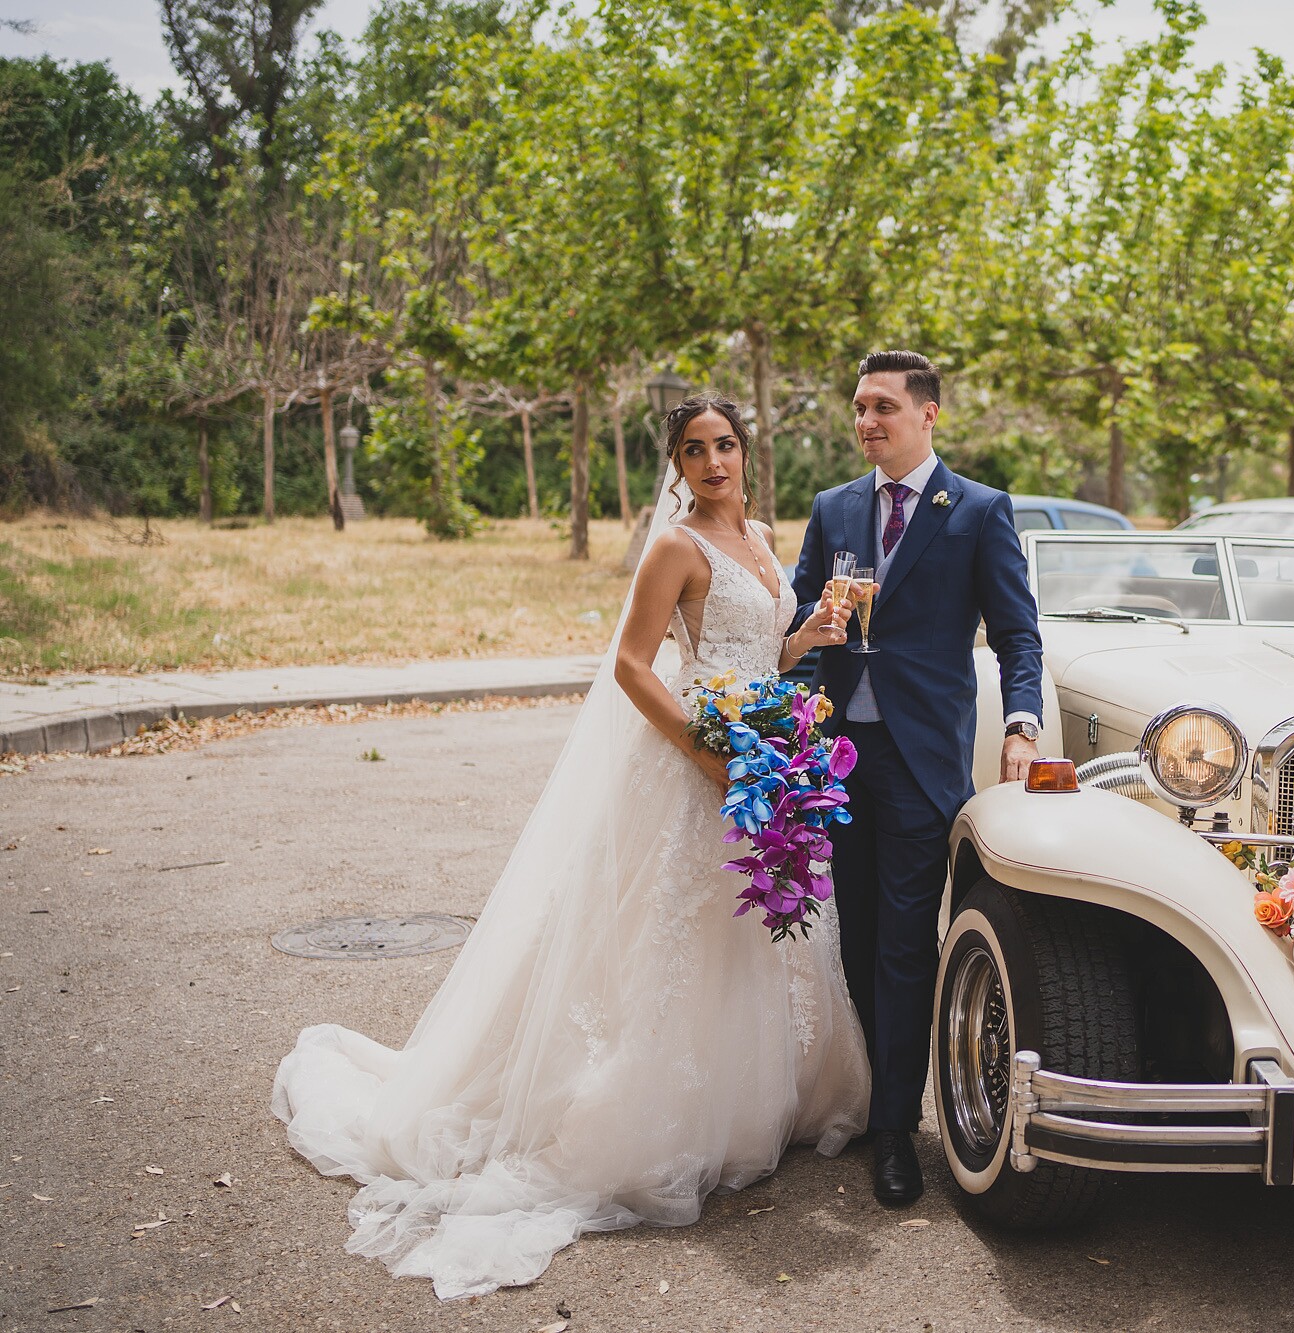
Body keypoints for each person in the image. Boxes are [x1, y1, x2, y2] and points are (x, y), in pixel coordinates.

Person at [271, 394, 869, 1301]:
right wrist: (706, 752)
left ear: (748, 453)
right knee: (673, 937)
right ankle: (659, 1119)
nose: (714, 463)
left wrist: (809, 638)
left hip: (760, 759)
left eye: (726, 446)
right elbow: (634, 665)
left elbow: (752, 654)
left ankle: (754, 1105)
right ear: (675, 465)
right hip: (693, 760)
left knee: (748, 925)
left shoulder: (760, 535)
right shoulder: (676, 546)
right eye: (695, 450)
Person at [790, 350, 1044, 1206]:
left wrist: (1021, 723)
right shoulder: (833, 509)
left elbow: (1017, 634)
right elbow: (794, 622)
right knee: (852, 936)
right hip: (835, 757)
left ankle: (899, 1128)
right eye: (858, 406)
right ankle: (869, 1096)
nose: (865, 420)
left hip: (920, 758)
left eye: (883, 407)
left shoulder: (976, 511)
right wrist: (810, 637)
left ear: (927, 414)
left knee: (905, 942)